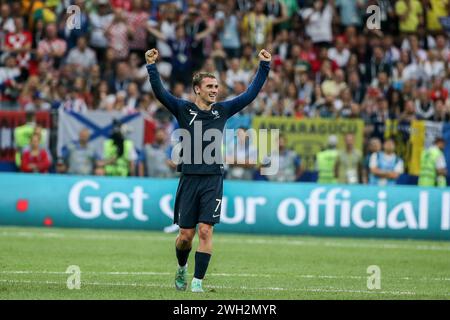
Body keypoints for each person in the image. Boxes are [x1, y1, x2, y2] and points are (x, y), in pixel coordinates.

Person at [145, 47, 271, 293]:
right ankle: (182, 267)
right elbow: (161, 93)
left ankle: (197, 283)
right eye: (210, 87)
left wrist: (264, 66)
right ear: (197, 89)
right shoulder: (183, 109)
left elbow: (249, 94)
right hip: (189, 179)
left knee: (205, 230)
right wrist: (151, 66)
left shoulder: (221, 110)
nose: (215, 90)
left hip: (213, 179)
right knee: (185, 236)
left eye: (216, 87)